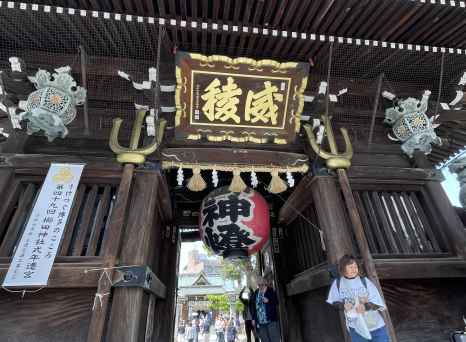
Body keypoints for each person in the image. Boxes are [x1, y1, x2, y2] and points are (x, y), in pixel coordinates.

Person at [326, 254, 390, 342]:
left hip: (375, 326)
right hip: (356, 328)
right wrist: (343, 305)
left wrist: (366, 306)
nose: (354, 269)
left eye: (355, 266)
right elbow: (334, 302)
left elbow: (379, 303)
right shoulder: (338, 283)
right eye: (350, 267)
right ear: (343, 268)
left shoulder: (365, 281)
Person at [249, 276, 281, 342]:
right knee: (264, 340)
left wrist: (268, 301)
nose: (260, 286)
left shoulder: (270, 291)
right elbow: (252, 306)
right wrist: (253, 318)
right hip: (260, 322)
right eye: (259, 285)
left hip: (271, 320)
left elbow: (276, 302)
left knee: (274, 339)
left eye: (262, 284)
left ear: (265, 283)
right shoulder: (256, 293)